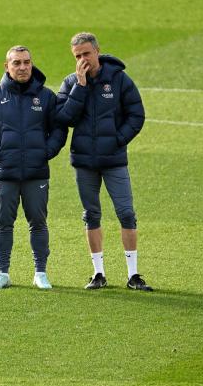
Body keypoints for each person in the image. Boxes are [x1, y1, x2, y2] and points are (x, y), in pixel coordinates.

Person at [56, 32, 152, 291]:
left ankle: (133, 275)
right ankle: (98, 274)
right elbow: (64, 117)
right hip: (84, 162)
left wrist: (118, 139)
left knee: (126, 213)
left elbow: (136, 114)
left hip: (114, 160)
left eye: (86, 53)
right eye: (77, 56)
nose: (83, 59)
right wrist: (81, 86)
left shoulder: (119, 80)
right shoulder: (71, 83)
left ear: (97, 51)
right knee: (91, 215)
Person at [0, 46, 67, 290]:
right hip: (5, 173)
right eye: (17, 63)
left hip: (36, 173)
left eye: (26, 62)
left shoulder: (46, 97)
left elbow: (59, 129)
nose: (22, 67)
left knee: (38, 222)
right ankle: (2, 273)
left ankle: (40, 273)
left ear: (32, 64)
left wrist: (46, 153)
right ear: (7, 66)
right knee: (3, 223)